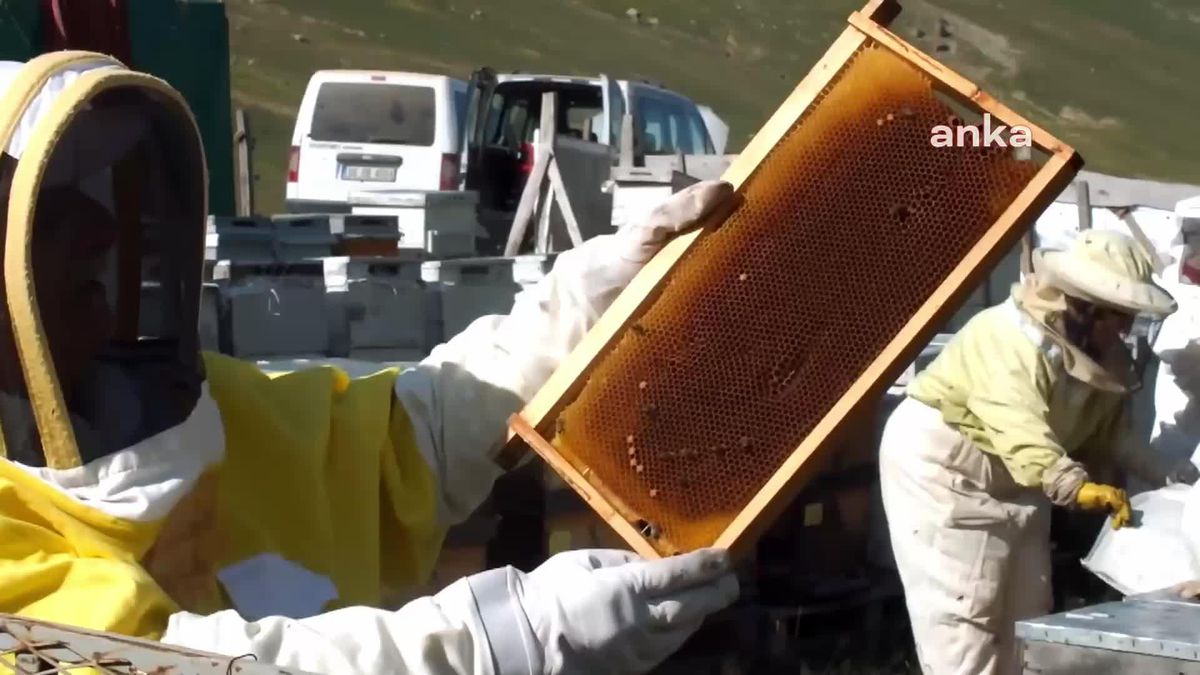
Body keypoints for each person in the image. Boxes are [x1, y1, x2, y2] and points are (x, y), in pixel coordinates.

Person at [0, 53, 739, 673]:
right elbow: (159, 663)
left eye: (96, 199)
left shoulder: (199, 405)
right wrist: (506, 636)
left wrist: (587, 297)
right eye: (54, 215)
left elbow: (401, 443)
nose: (101, 231)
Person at [879, 228, 1196, 675]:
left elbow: (1110, 436)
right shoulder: (1007, 339)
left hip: (1023, 479)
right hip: (948, 474)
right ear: (1082, 306)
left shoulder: (1096, 353)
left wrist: (1175, 473)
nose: (1125, 328)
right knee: (967, 616)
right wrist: (1077, 486)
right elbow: (1019, 427)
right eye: (1118, 315)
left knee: (1029, 622)